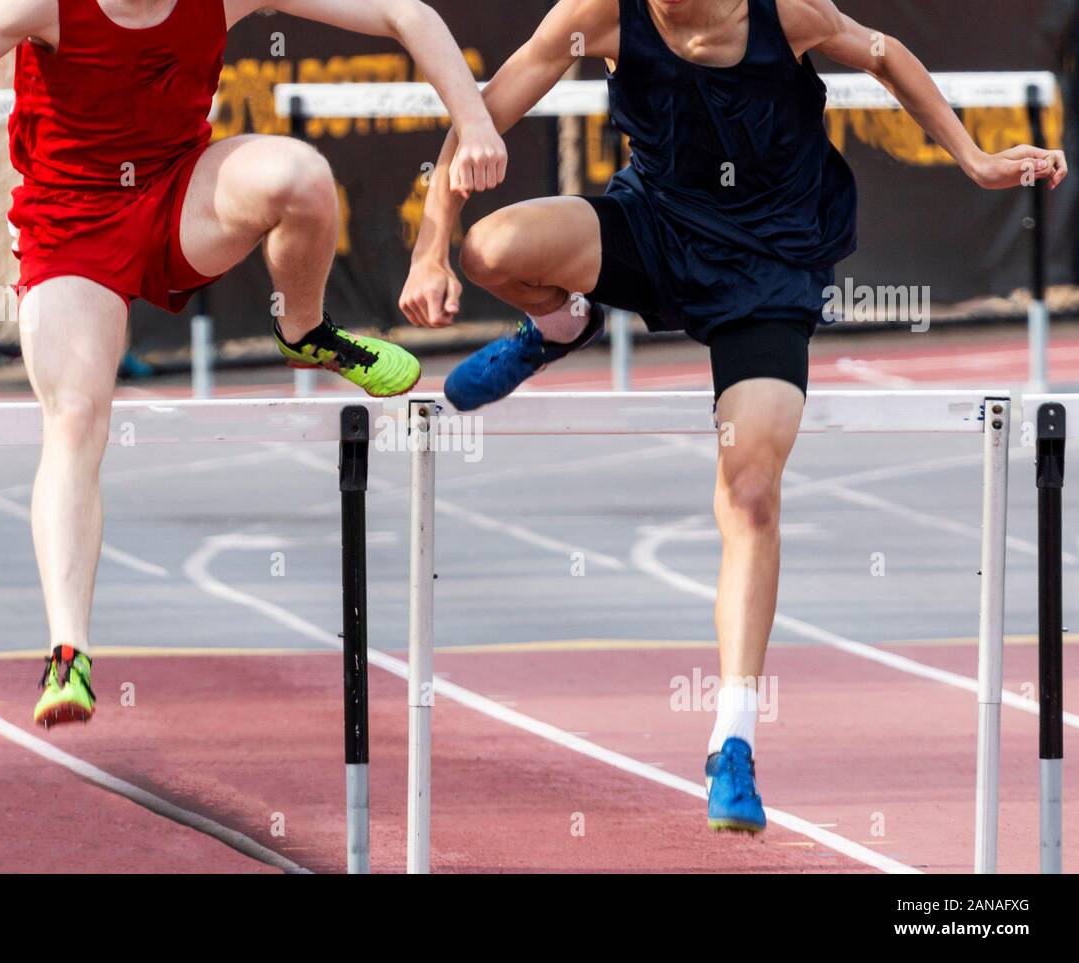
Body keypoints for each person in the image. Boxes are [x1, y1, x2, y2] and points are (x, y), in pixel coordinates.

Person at [399, 0, 1067, 833]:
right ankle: (562, 325)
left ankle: (734, 739)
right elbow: (483, 109)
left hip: (769, 263)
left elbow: (886, 52)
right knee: (489, 249)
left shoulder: (788, 13)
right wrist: (431, 247)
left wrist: (972, 159)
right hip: (655, 228)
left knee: (750, 489)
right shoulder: (597, 13)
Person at [0, 0, 508, 727]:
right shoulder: (37, 7)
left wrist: (473, 120)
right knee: (75, 417)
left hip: (179, 195)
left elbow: (405, 13)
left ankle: (306, 329)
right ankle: (69, 651)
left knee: (303, 177)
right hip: (70, 227)